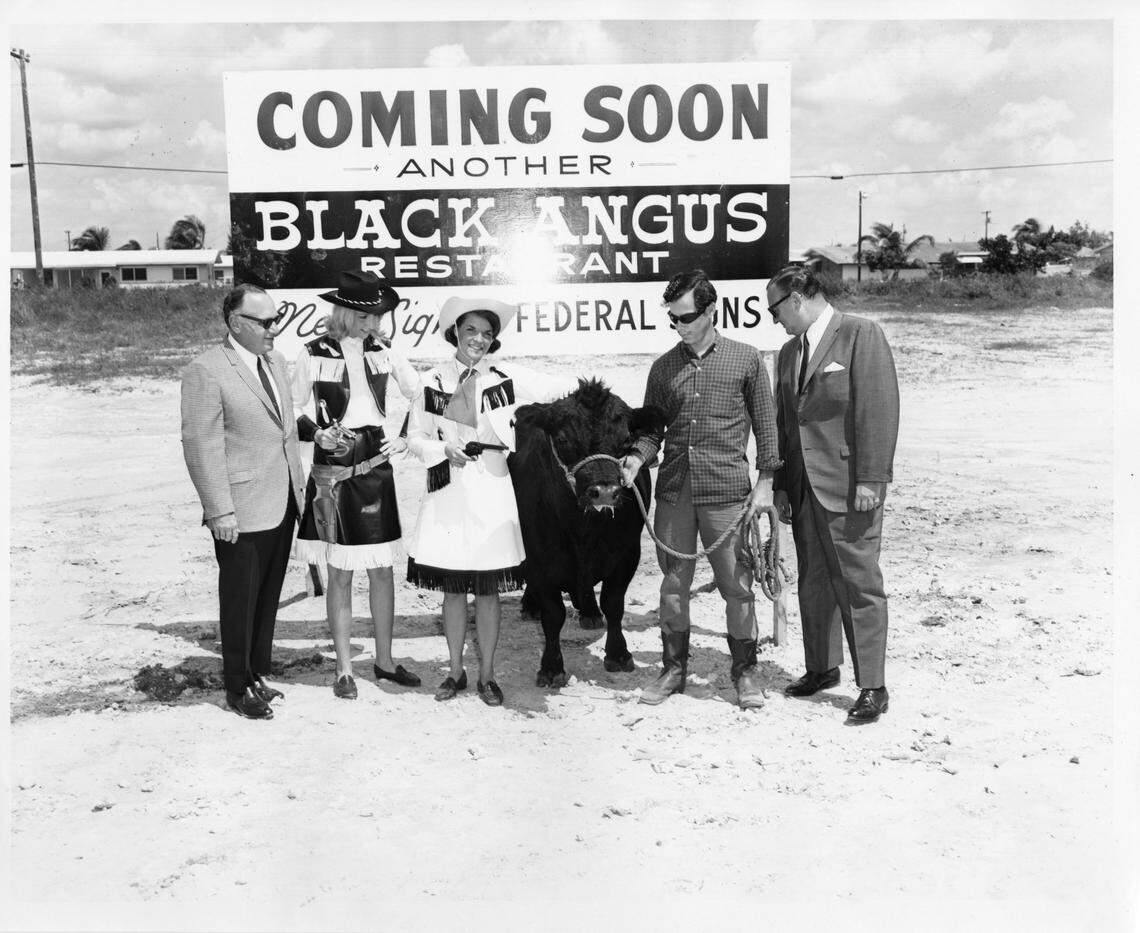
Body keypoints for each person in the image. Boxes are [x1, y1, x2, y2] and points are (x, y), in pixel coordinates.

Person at [620, 269, 781, 709]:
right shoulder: (663, 368)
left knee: (738, 586)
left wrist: (765, 483)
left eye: (686, 317)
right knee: (673, 585)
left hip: (728, 492)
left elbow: (767, 429)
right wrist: (637, 456)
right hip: (675, 492)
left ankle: (745, 673)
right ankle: (673, 669)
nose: (679, 326)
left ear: (711, 310)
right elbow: (651, 432)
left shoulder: (747, 360)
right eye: (673, 319)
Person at [406, 296, 571, 707]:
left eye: (486, 333)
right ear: (455, 334)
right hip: (446, 491)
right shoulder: (434, 381)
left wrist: (589, 389)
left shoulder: (506, 377)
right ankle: (456, 672)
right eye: (471, 331)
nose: (478, 339)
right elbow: (413, 438)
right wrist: (442, 451)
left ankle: (487, 676)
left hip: (492, 488)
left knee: (488, 590)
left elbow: (557, 388)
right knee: (452, 590)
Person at [766, 264, 900, 724]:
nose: (774, 318)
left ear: (799, 297)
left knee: (859, 584)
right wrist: (782, 486)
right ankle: (822, 668)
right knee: (814, 582)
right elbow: (787, 425)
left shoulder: (861, 335)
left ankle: (873, 687)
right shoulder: (786, 354)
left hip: (849, 489)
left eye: (776, 308)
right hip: (804, 490)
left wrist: (871, 480)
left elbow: (879, 411)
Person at [292, 271, 422, 700]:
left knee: (382, 571)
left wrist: (405, 435)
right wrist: (316, 434)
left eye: (378, 317)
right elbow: (286, 410)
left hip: (377, 462)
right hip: (334, 466)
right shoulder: (312, 354)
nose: (374, 325)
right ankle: (345, 669)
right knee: (340, 572)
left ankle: (383, 662)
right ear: (345, 312)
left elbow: (422, 394)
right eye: (366, 317)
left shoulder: (385, 351)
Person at [181, 284, 305, 720]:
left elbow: (282, 427)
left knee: (267, 595)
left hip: (282, 498)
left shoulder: (275, 360)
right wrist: (219, 511)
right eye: (266, 321)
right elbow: (200, 445)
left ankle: (255, 673)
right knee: (239, 599)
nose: (275, 329)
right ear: (237, 323)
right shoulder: (206, 370)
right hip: (241, 508)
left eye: (276, 319)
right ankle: (236, 687)